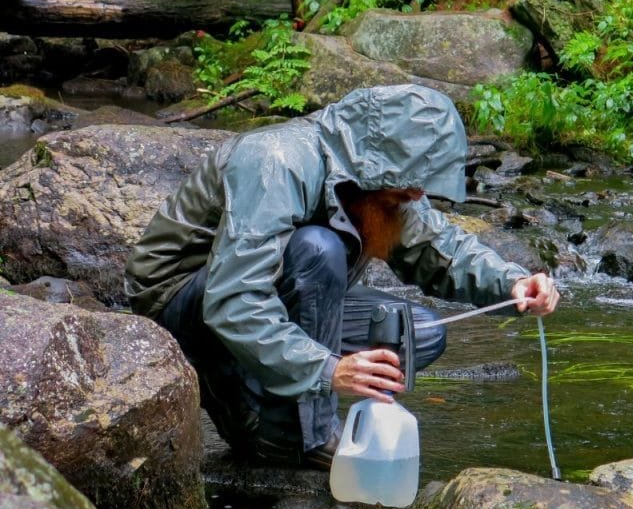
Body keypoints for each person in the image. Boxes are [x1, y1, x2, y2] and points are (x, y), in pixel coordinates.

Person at [124, 84, 559, 470]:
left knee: (417, 333)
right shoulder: (276, 162)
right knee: (318, 248)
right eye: (411, 183)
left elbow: (436, 245)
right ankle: (294, 437)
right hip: (184, 306)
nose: (417, 194)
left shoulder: (380, 183)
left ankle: (274, 392)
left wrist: (511, 283)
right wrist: (327, 370)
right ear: (378, 161)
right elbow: (234, 299)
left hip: (272, 295)